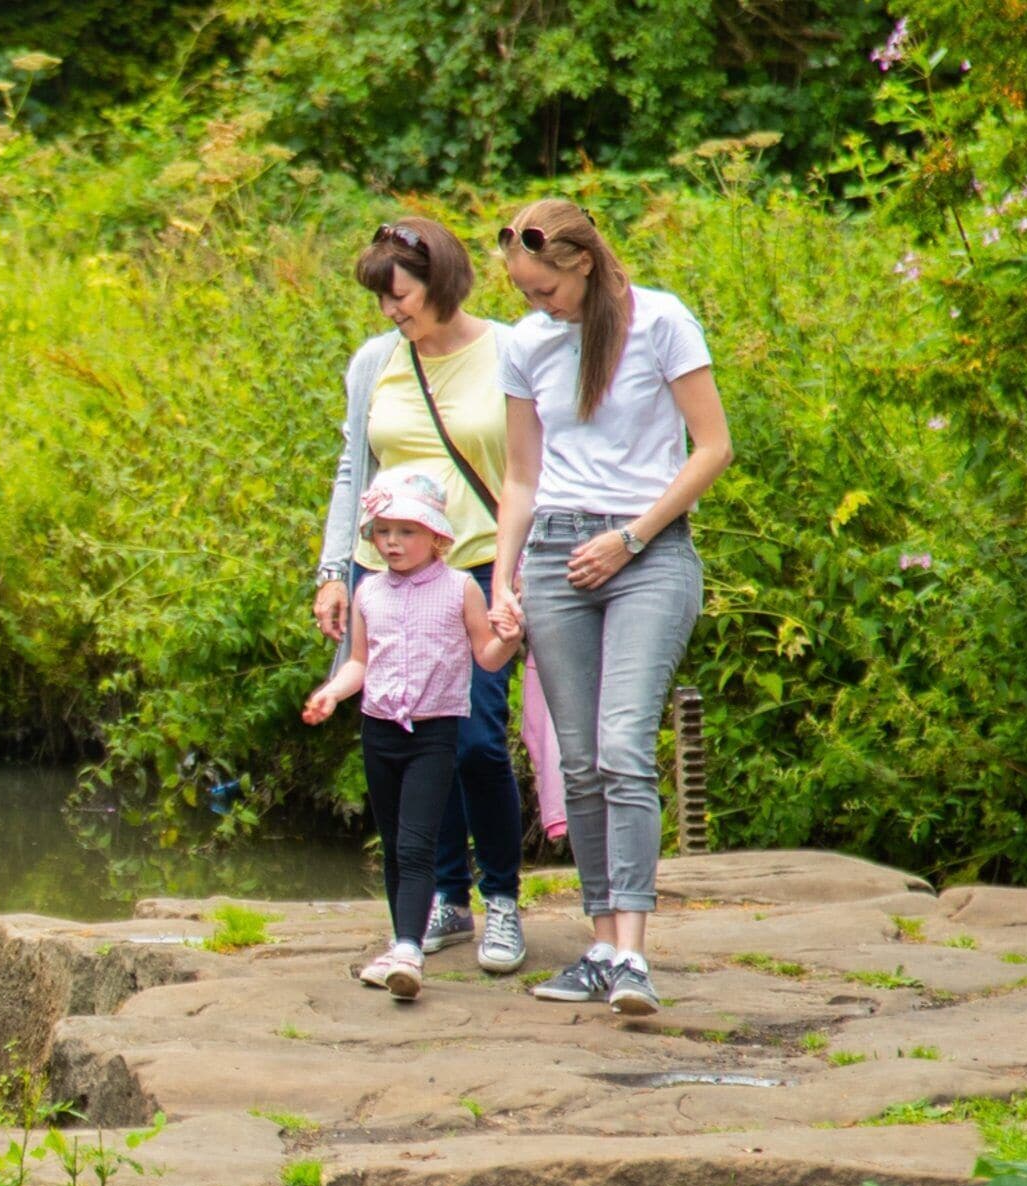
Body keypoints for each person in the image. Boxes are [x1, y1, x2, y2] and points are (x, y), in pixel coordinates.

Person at [489, 198, 734, 1018]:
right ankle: (599, 946)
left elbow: (713, 447)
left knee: (626, 745)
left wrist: (631, 537)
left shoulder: (662, 322)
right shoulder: (528, 347)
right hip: (554, 556)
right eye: (525, 294)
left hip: (648, 554)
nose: (536, 307)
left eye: (544, 290)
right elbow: (521, 476)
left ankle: (633, 956)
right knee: (582, 760)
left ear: (582, 263)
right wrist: (503, 579)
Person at [313, 217, 528, 975]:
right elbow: (354, 468)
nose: (390, 312)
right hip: (388, 574)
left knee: (472, 738)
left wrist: (517, 573)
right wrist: (335, 572)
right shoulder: (377, 362)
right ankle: (447, 897)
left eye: (399, 296)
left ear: (441, 281)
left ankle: (500, 897)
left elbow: (534, 467)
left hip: (476, 570)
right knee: (409, 737)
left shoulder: (510, 350)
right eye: (381, 299)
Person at [300, 472, 522, 1000]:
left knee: (419, 840)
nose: (393, 542)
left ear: (437, 538)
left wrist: (510, 640)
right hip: (379, 730)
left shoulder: (460, 587)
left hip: (434, 730)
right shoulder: (368, 591)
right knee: (397, 845)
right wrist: (333, 692)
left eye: (407, 531)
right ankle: (404, 940)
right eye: (383, 531)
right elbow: (359, 661)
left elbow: (485, 655)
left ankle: (408, 950)